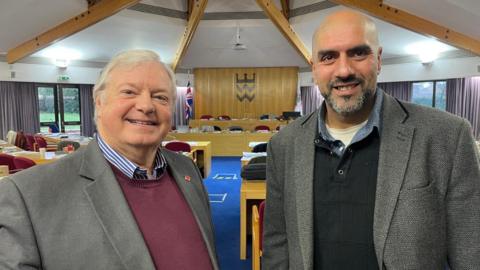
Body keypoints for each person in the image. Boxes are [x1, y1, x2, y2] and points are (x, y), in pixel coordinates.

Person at [262, 10, 480, 270]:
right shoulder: (284, 145)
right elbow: (277, 246)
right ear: (314, 68)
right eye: (329, 57)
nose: (343, 70)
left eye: (357, 53)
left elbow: (471, 253)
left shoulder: (447, 137)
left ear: (378, 60)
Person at [0, 50, 219, 269]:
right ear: (99, 103)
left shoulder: (186, 169)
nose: (146, 106)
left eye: (160, 97)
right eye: (129, 92)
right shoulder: (26, 196)